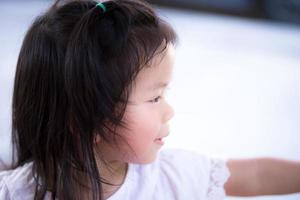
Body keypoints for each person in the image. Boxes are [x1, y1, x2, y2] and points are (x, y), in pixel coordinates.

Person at [0, 0, 299, 199]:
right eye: (155, 98)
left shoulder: (170, 178)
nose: (169, 111)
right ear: (84, 118)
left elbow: (255, 176)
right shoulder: (15, 192)